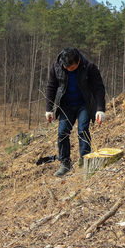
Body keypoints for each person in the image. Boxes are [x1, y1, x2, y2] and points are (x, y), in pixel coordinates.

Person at [45, 47, 106, 176]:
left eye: (71, 68)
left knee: (83, 130)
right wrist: (49, 109)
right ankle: (65, 162)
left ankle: (85, 161)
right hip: (66, 105)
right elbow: (51, 86)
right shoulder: (57, 66)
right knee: (62, 133)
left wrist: (100, 109)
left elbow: (98, 88)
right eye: (66, 67)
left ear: (78, 62)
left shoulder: (89, 67)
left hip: (84, 104)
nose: (68, 69)